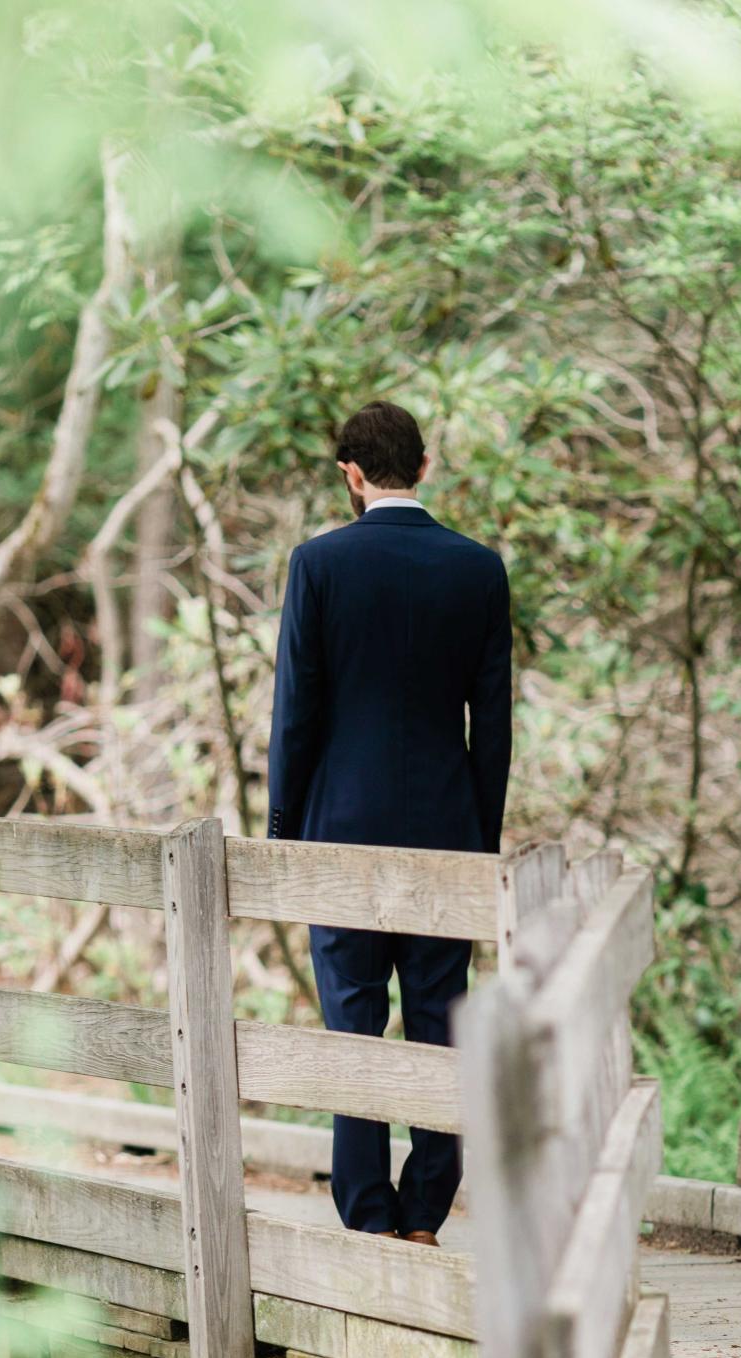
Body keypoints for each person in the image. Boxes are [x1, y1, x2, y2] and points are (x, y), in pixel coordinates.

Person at [268, 400, 512, 1246]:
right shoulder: (479, 570)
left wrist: (281, 832)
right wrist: (483, 844)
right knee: (441, 1024)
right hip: (450, 829)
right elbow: (494, 727)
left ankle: (367, 1218)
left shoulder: (319, 564)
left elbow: (296, 714)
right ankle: (423, 1217)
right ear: (426, 465)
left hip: (341, 831)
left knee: (354, 1023)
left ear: (352, 474)